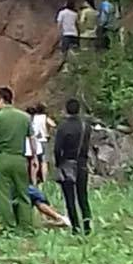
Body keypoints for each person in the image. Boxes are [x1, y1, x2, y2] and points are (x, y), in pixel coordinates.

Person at [0, 86, 35, 231]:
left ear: (1, 99)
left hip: (2, 158)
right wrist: (33, 157)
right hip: (20, 159)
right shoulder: (25, 117)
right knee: (23, 193)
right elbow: (32, 139)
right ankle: (26, 226)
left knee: (3, 195)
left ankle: (8, 226)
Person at [54, 98, 92, 235]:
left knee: (69, 197)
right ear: (79, 110)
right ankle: (87, 225)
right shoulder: (85, 126)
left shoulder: (63, 127)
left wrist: (59, 163)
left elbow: (57, 148)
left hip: (67, 164)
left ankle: (75, 227)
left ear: (66, 110)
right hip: (82, 163)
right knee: (83, 195)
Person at [32, 103, 56, 183]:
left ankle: (34, 180)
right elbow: (53, 124)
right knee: (44, 161)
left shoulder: (33, 118)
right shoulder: (45, 117)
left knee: (35, 161)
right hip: (44, 140)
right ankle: (44, 180)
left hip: (35, 141)